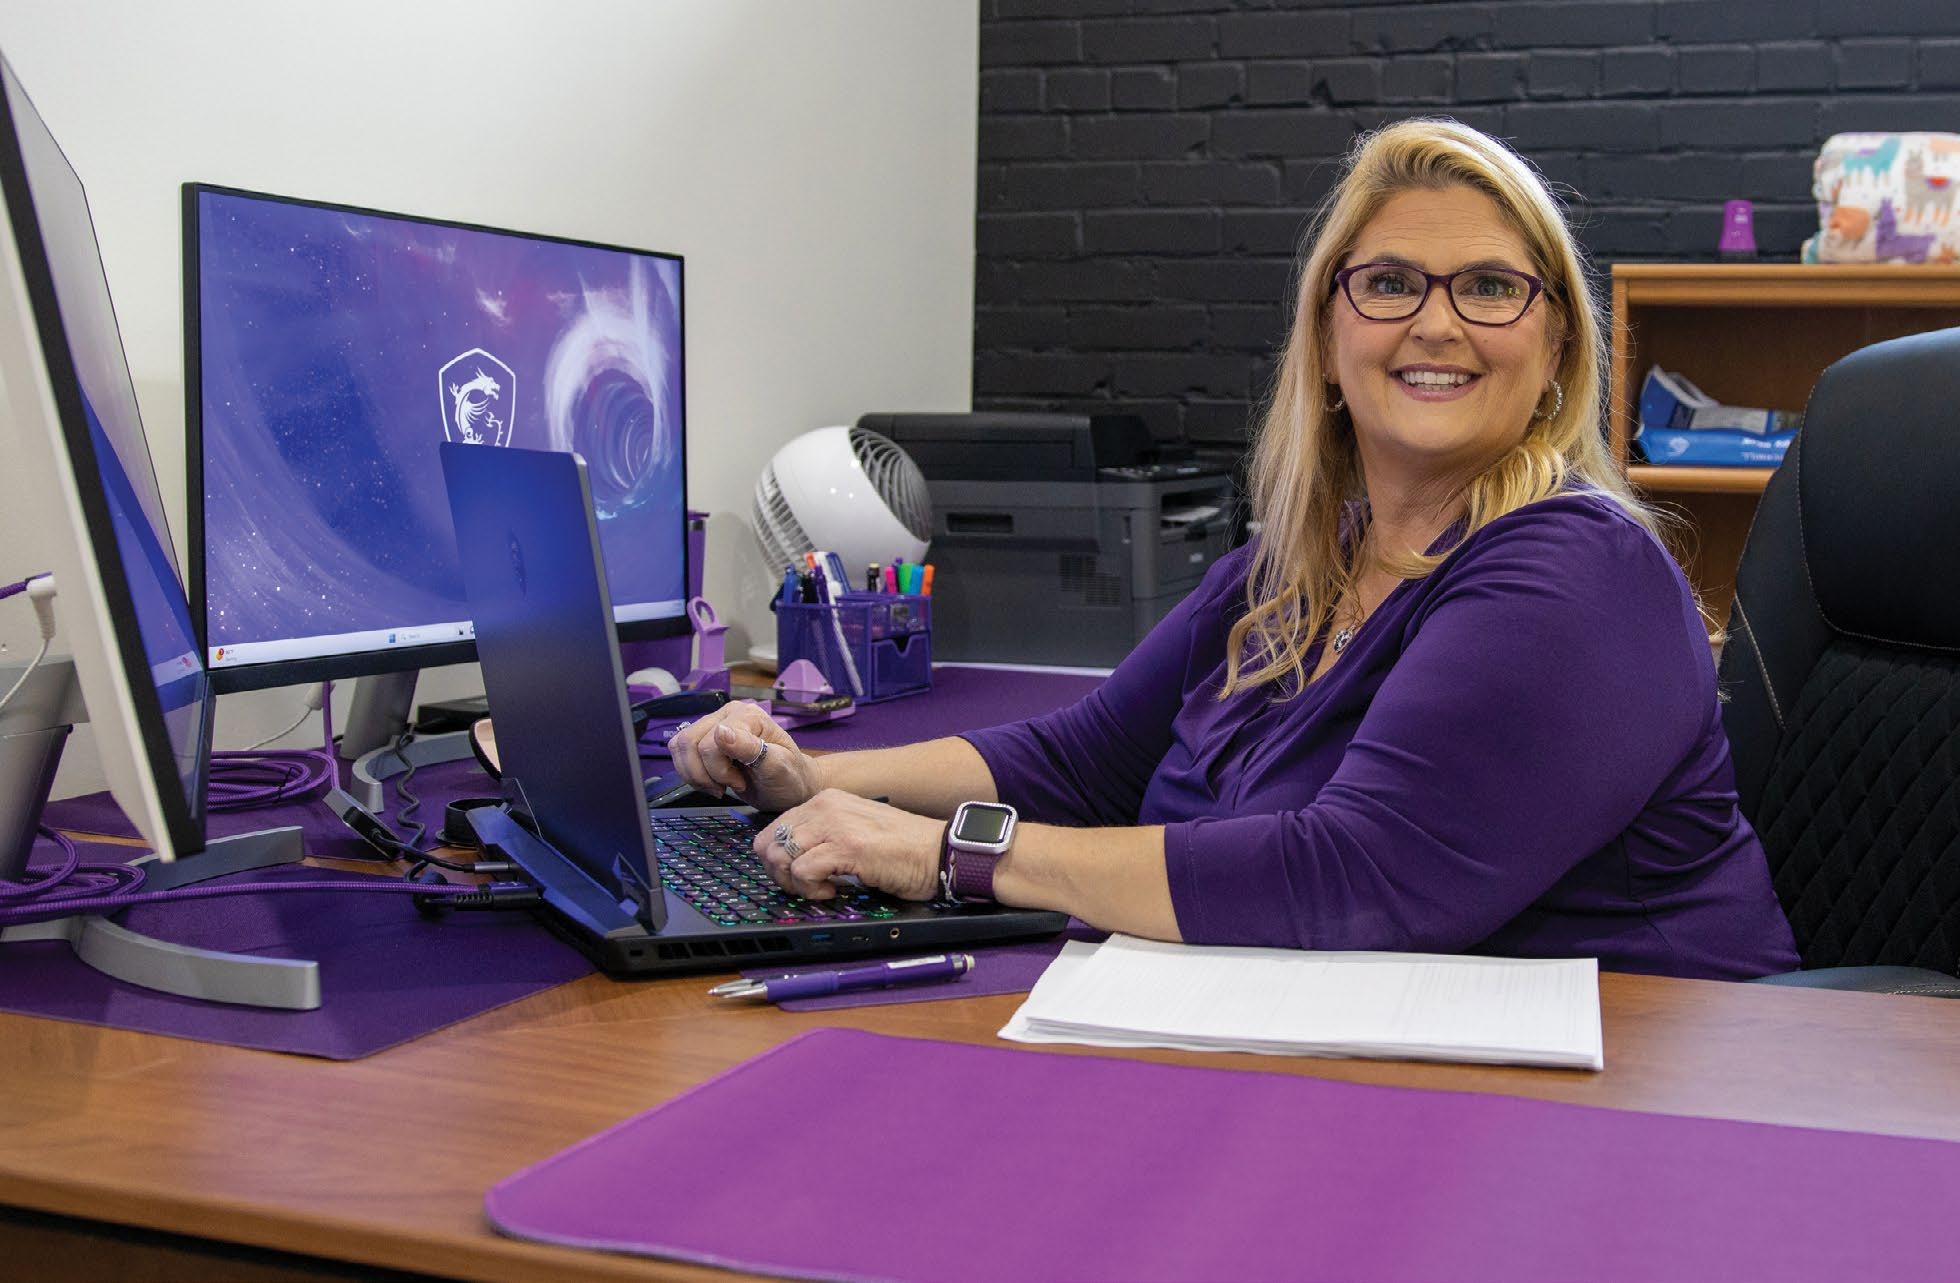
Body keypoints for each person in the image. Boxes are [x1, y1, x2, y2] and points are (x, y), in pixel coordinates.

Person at [670, 118, 1799, 981]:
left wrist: (945, 855)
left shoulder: (1574, 570)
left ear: (1555, 350)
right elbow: (1083, 760)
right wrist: (817, 780)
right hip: (1345, 1043)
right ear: (1327, 338)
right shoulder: (1295, 566)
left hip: (1628, 1094)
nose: (1436, 322)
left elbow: (1350, 876)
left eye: (1492, 288)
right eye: (1389, 283)